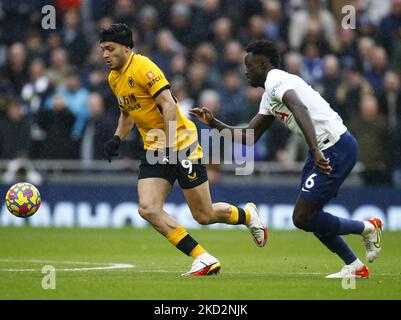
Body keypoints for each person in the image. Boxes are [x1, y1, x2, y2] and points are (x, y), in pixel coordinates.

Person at [190, 40, 383, 279]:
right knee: (309, 216)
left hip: (334, 147)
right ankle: (354, 265)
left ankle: (368, 228)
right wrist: (214, 123)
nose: (245, 72)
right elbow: (250, 137)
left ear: (262, 65)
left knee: (303, 217)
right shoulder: (268, 96)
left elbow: (299, 107)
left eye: (248, 66)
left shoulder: (276, 81)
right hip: (324, 149)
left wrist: (314, 149)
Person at [99, 24, 267, 276]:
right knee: (148, 208)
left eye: (110, 49)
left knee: (204, 215)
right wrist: (117, 138)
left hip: (180, 145)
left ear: (126, 48)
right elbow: (127, 112)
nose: (105, 55)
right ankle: (203, 257)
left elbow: (167, 104)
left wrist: (167, 141)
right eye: (102, 50)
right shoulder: (114, 78)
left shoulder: (144, 67)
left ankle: (246, 215)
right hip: (154, 149)